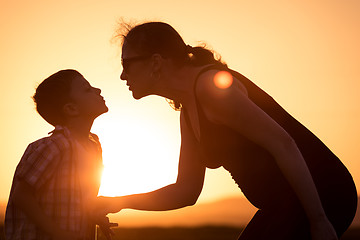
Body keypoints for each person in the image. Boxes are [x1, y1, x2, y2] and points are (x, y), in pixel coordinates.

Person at [101, 21, 358, 239]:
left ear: (156, 62)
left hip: (322, 194)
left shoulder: (211, 89)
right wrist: (118, 202)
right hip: (282, 205)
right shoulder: (189, 108)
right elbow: (186, 191)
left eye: (127, 64)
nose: (123, 76)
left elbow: (284, 144)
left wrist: (319, 220)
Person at [5, 70, 115, 240]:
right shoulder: (53, 146)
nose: (98, 90)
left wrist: (95, 216)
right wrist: (58, 233)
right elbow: (22, 196)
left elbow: (82, 202)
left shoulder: (94, 148)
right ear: (71, 109)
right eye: (87, 89)